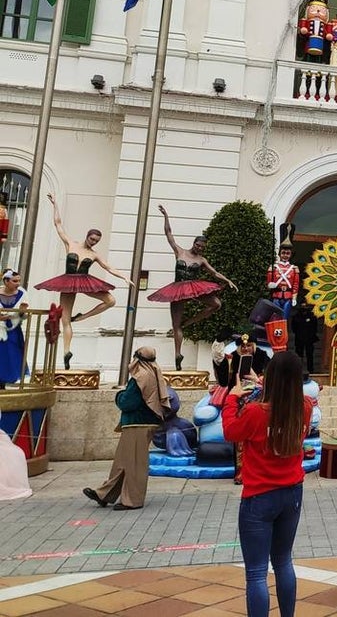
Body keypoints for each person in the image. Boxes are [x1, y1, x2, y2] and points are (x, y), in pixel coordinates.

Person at [223, 350, 315, 617]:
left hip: (259, 496)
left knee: (256, 573)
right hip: (292, 493)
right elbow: (285, 397)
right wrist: (262, 383)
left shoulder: (254, 413)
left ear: (271, 378)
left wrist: (231, 399)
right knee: (284, 562)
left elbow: (230, 431)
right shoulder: (305, 407)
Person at [35, 193, 133, 370]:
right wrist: (55, 204)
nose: (93, 242)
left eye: (96, 241)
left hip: (85, 282)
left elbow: (108, 267)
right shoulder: (71, 244)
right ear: (87, 236)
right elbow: (58, 225)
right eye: (92, 239)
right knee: (65, 320)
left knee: (110, 300)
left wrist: (125, 277)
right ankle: (66, 352)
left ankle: (82, 317)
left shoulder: (94, 254)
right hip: (68, 281)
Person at [147, 205, 237, 370]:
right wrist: (166, 216)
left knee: (216, 304)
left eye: (202, 247)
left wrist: (228, 280)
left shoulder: (202, 260)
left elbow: (214, 273)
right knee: (176, 325)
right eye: (198, 245)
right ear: (194, 243)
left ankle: (190, 322)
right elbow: (169, 235)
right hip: (178, 288)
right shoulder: (180, 252)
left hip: (194, 287)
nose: (199, 248)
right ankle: (177, 354)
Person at [84, 347, 168, 509]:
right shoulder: (152, 373)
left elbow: (127, 402)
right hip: (140, 424)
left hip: (138, 423)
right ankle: (105, 494)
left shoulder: (140, 377)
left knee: (134, 464)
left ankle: (133, 500)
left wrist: (119, 396)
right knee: (123, 462)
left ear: (138, 359)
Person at [214, 333, 272, 485]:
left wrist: (259, 379)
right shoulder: (232, 358)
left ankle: (258, 470)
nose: (246, 349)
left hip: (260, 402)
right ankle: (240, 472)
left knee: (258, 438)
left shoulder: (263, 357)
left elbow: (273, 380)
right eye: (243, 346)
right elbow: (223, 377)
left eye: (249, 346)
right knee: (239, 438)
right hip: (240, 402)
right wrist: (219, 358)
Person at [1, 268, 28, 388]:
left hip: (13, 331)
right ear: (6, 281)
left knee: (14, 354)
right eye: (15, 281)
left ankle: (12, 380)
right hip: (0, 330)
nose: (18, 284)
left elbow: (24, 315)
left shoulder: (22, 295)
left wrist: (22, 312)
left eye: (19, 281)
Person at [267, 237, 299, 322]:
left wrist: (294, 298)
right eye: (283, 253)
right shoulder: (274, 267)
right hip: (276, 296)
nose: (285, 255)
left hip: (288, 296)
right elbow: (269, 283)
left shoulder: (294, 269)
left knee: (284, 319)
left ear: (291, 255)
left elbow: (295, 284)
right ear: (280, 254)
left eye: (288, 253)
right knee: (275, 318)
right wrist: (271, 285)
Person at [292, 303, 318, 373]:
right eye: (302, 307)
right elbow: (293, 328)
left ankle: (311, 370)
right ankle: (298, 370)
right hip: (299, 339)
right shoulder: (296, 316)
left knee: (310, 355)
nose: (304, 309)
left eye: (305, 307)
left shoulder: (312, 316)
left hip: (309, 339)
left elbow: (315, 327)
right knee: (299, 355)